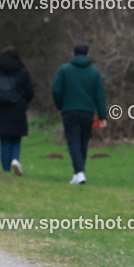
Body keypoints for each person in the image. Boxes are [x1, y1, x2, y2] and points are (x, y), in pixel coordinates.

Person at [51, 44, 107, 184]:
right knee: (83, 141)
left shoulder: (64, 70)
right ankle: (80, 171)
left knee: (73, 141)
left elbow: (56, 91)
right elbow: (100, 95)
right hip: (88, 111)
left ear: (72, 54)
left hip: (70, 110)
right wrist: (102, 116)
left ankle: (79, 172)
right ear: (88, 55)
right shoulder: (94, 72)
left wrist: (61, 105)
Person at [0, 46, 34, 175]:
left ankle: (5, 170)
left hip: (2, 109)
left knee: (4, 140)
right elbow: (30, 92)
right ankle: (15, 159)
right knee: (16, 138)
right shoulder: (23, 72)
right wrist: (23, 102)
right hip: (18, 109)